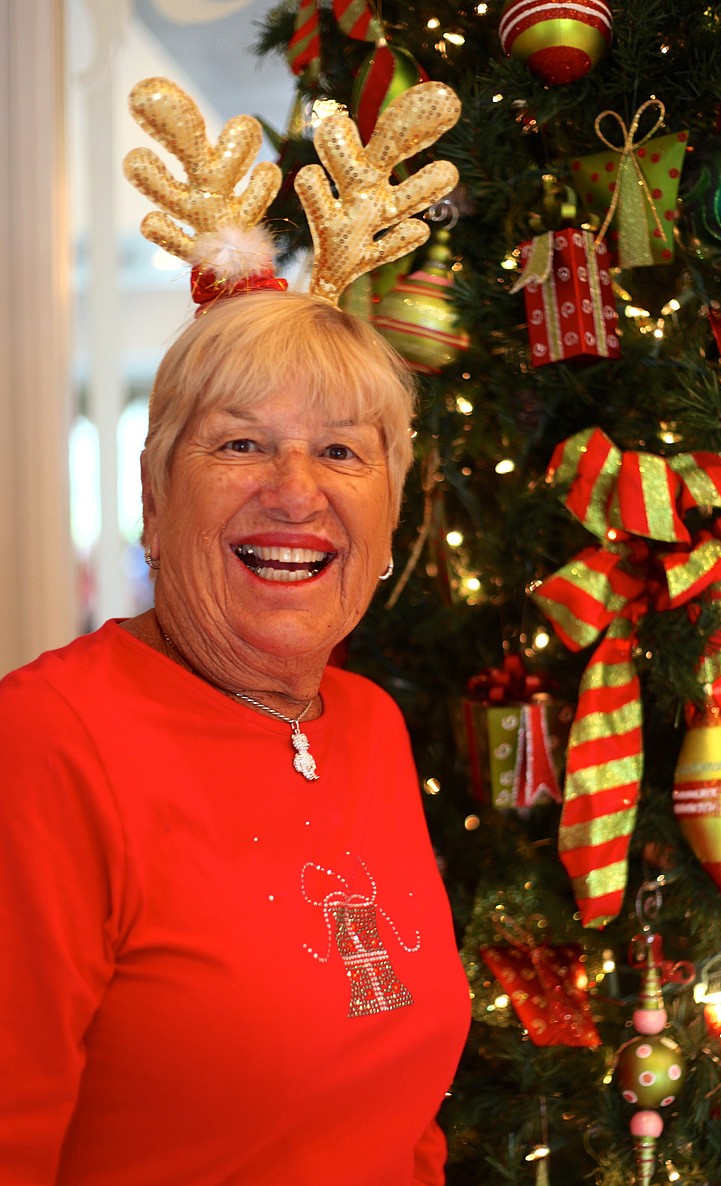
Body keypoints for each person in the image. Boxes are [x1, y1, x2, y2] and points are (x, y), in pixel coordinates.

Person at [0, 289, 471, 1185]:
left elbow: (403, 1121)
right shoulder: (46, 740)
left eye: (340, 451)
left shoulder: (370, 723)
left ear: (389, 518)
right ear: (154, 492)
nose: (295, 492)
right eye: (241, 443)